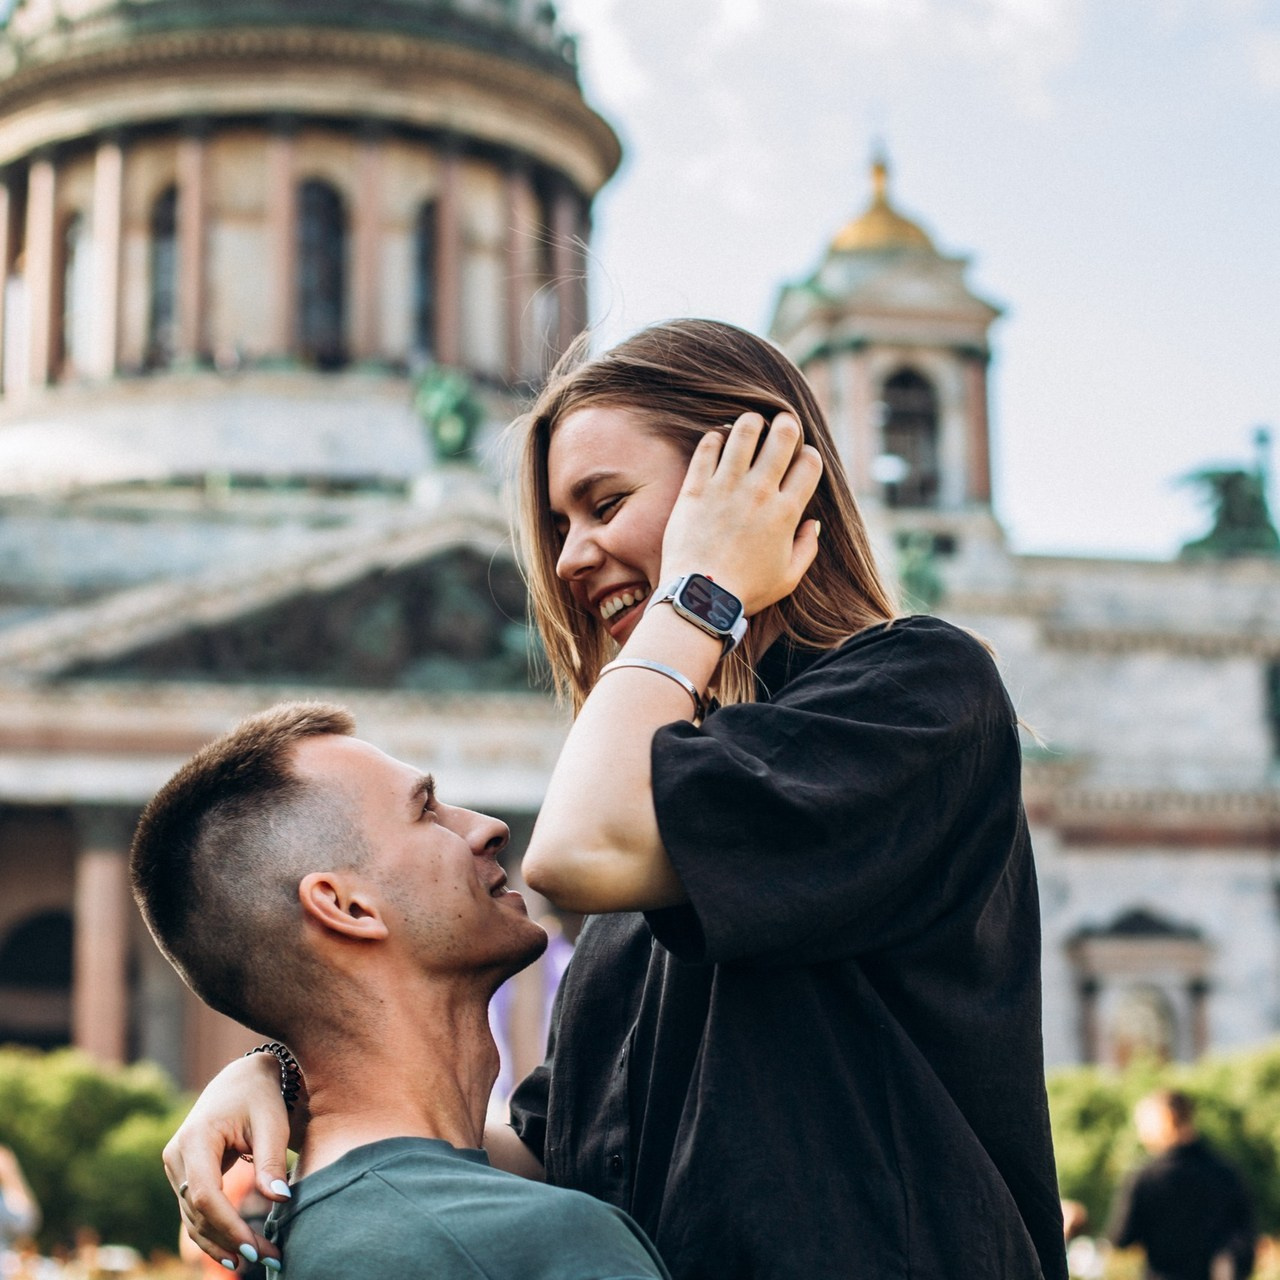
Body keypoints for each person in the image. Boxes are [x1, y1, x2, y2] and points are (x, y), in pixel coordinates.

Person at [163, 319, 1067, 1279]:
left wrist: (703, 591)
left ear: (758, 481)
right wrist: (286, 1078)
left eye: (604, 503)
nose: (568, 560)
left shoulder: (914, 691)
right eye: (558, 528)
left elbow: (576, 851)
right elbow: (551, 1163)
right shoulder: (649, 889)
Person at [131, 701, 670, 1279]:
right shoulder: (539, 1242)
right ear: (347, 907)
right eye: (427, 812)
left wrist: (280, 1074)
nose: (490, 828)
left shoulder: (328, 1227)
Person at [1107, 1089, 1255, 1280]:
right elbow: (1244, 1232)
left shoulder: (1146, 1177)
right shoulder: (1224, 1171)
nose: (1142, 1133)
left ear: (1166, 1120)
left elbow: (1121, 1238)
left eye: (1144, 1124)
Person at [0, 1144, 39, 1257]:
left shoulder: (5, 1198)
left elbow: (27, 1222)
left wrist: (10, 1176)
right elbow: (27, 1222)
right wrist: (10, 1175)